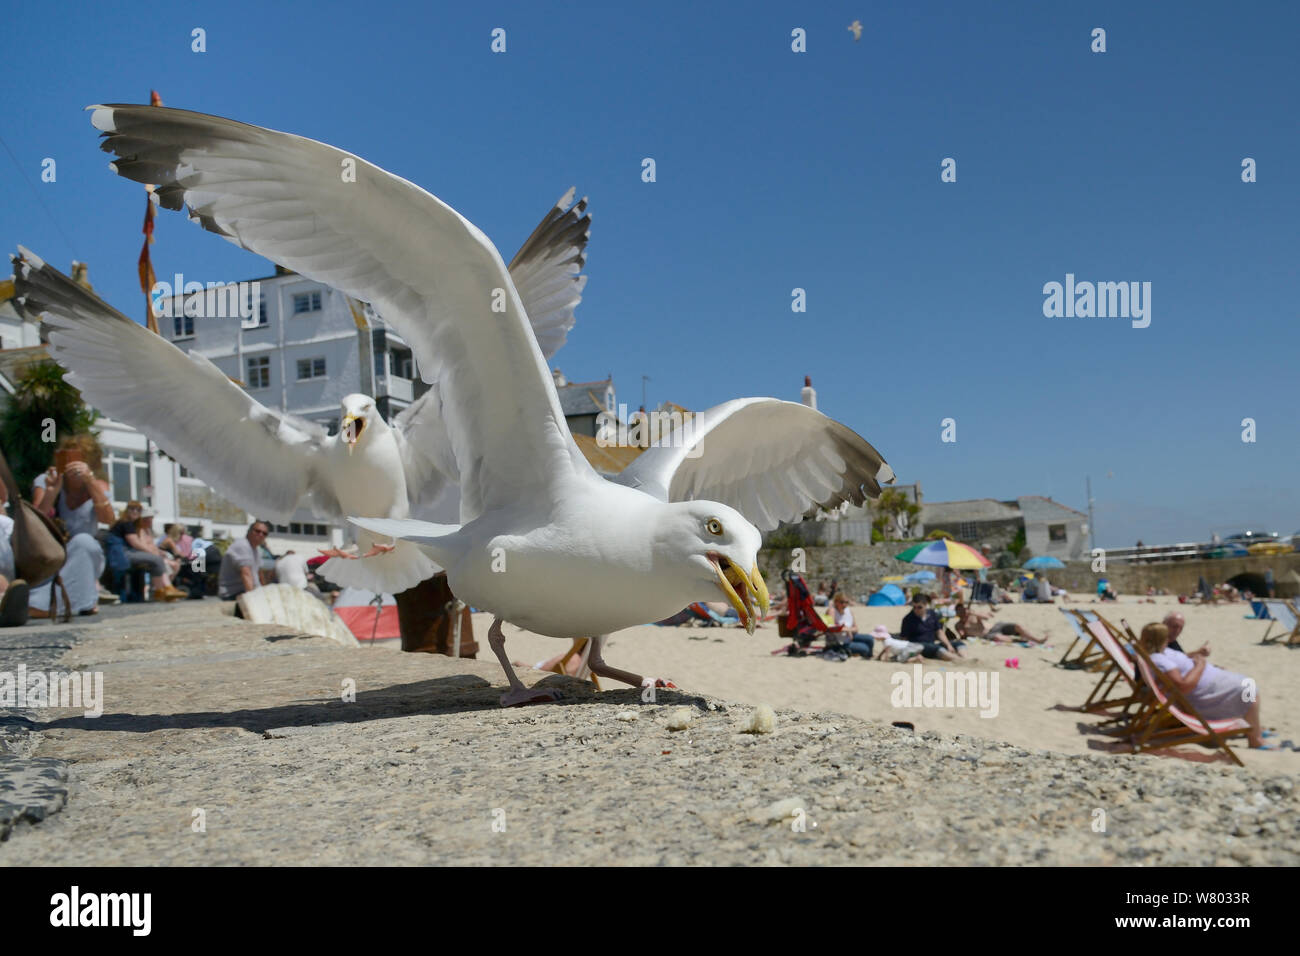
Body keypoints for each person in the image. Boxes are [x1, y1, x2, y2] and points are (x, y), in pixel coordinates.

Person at [26, 438, 116, 617]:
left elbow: (108, 520)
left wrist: (90, 482)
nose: (74, 464)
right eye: (69, 458)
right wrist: (52, 492)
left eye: (80, 459)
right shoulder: (46, 481)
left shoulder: (97, 486)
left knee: (84, 541)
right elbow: (34, 522)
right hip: (50, 556)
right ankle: (78, 602)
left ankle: (46, 606)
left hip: (85, 556)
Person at [1139, 622, 1265, 749]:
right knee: (1249, 689)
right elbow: (1183, 687)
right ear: (1162, 639)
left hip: (1209, 686)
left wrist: (1198, 656)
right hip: (1203, 696)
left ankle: (1255, 727)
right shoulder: (1159, 661)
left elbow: (1181, 660)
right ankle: (1255, 740)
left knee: (1246, 684)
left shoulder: (1158, 654)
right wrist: (1200, 665)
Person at [110, 502, 185, 601]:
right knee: (157, 560)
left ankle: (163, 590)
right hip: (122, 554)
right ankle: (162, 590)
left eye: (138, 510)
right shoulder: (127, 524)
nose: (135, 512)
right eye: (132, 509)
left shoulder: (129, 524)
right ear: (126, 510)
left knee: (158, 560)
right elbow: (135, 543)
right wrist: (153, 553)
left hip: (123, 553)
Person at [900, 595, 965, 660]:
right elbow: (904, 639)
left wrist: (948, 645)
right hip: (918, 646)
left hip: (932, 644)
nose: (916, 610)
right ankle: (960, 660)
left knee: (958, 643)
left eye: (919, 607)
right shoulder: (908, 619)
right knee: (938, 649)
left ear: (925, 605)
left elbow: (939, 632)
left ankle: (963, 656)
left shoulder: (932, 614)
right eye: (914, 607)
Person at [220, 520, 271, 600]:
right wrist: (252, 599)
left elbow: (259, 573)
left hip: (246, 592)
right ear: (249, 531)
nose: (261, 534)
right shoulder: (242, 545)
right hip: (234, 594)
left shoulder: (256, 550)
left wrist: (265, 593)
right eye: (257, 531)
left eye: (264, 533)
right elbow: (246, 574)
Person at [953, 599, 1045, 643]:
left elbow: (986, 617)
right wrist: (963, 629)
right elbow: (962, 636)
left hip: (995, 626)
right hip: (987, 635)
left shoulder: (974, 615)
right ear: (957, 613)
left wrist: (974, 613)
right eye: (960, 611)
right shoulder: (959, 625)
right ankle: (1023, 640)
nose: (963, 612)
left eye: (963, 610)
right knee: (999, 639)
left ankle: (1037, 640)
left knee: (1017, 626)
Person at [827, 593, 874, 658]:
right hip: (840, 641)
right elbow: (830, 628)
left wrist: (848, 630)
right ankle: (865, 654)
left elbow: (856, 628)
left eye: (846, 602)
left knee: (870, 638)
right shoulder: (832, 611)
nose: (844, 604)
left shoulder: (849, 611)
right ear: (836, 602)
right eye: (842, 602)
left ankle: (869, 656)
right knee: (865, 648)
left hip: (851, 636)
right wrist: (847, 629)